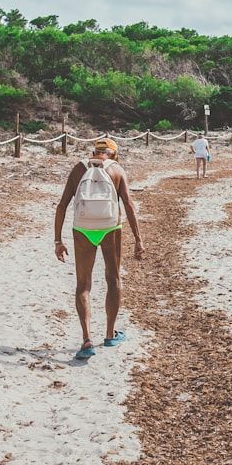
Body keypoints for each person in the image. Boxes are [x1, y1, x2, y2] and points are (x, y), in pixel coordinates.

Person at [54, 138, 144, 360]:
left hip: (82, 229)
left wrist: (58, 240)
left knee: (83, 285)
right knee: (113, 279)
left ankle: (86, 340)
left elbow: (62, 205)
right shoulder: (116, 170)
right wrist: (138, 240)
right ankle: (110, 333)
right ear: (114, 154)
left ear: (94, 151)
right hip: (110, 227)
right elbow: (129, 206)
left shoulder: (79, 168)